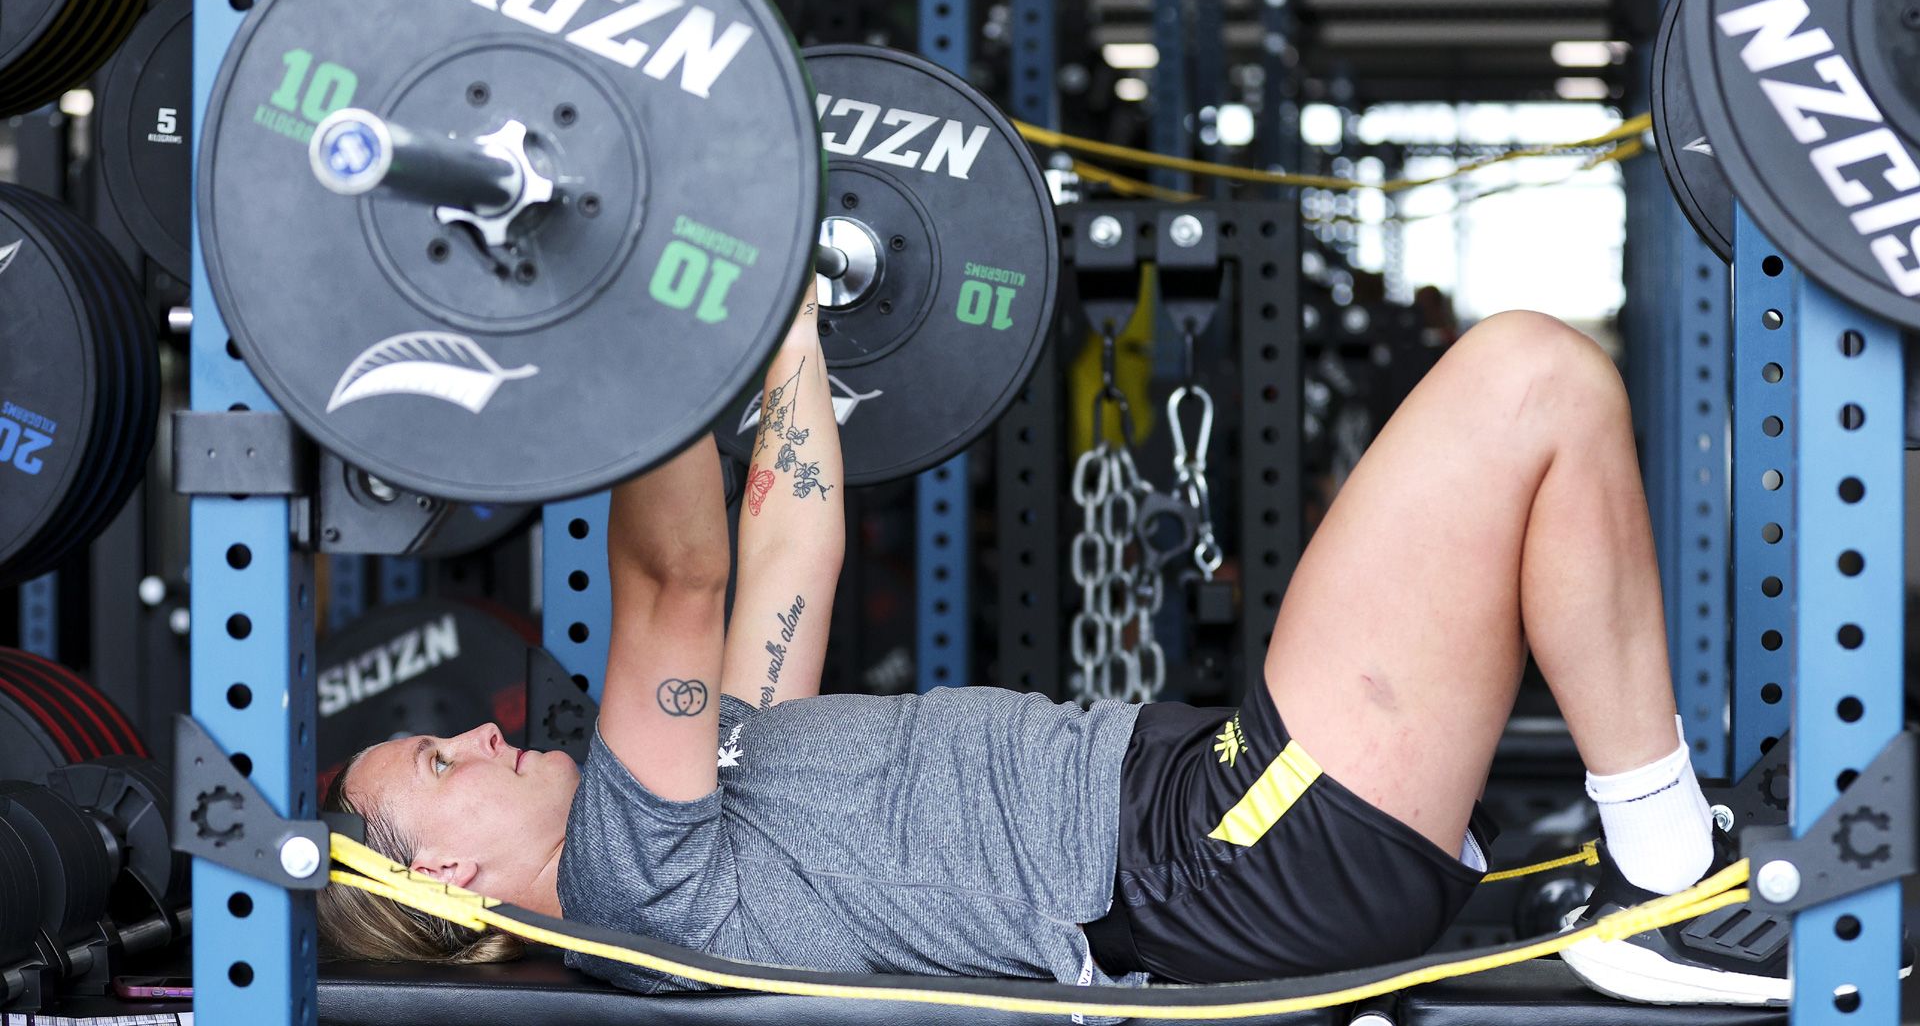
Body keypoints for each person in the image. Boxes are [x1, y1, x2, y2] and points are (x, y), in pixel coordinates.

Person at [317, 283, 1786, 1006]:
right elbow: (675, 582)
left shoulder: (699, 810)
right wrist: (646, 308)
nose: (488, 731)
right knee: (1530, 383)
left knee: (1539, 404)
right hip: (1219, 863)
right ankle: (1667, 885)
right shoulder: (624, 878)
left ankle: (1661, 853)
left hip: (1207, 829)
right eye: (442, 759)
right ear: (442, 876)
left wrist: (778, 317)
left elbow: (786, 536)